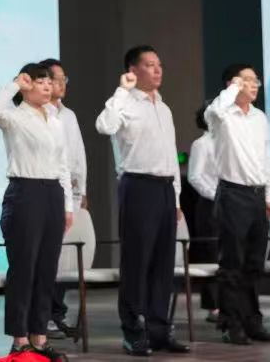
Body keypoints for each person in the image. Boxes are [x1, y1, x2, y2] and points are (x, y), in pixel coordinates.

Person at [95, 45, 188, 356]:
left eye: (159, 64)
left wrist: (176, 198)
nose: (157, 69)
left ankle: (159, 330)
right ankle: (133, 331)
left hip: (165, 188)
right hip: (138, 186)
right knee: (137, 262)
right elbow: (104, 126)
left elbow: (171, 156)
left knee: (163, 264)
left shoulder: (164, 108)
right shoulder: (124, 103)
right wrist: (122, 91)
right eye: (149, 64)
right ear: (133, 70)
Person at [0, 64, 73, 361]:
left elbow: (63, 165)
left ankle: (39, 337)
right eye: (40, 81)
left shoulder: (55, 120)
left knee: (47, 269)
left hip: (52, 193)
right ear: (26, 86)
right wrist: (16, 84)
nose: (47, 86)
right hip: (25, 192)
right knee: (23, 268)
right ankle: (20, 339)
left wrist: (67, 206)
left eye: (49, 82)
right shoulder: (14, 117)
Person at [205, 64, 270, 344]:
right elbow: (214, 110)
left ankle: (252, 321)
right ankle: (231, 323)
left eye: (255, 80)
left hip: (257, 195)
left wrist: (269, 195)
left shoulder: (260, 117)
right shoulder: (221, 114)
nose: (255, 84)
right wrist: (233, 89)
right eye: (248, 80)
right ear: (232, 83)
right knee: (232, 263)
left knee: (254, 263)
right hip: (233, 194)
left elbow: (266, 158)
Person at [39, 58, 86, 340]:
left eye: (63, 79)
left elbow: (78, 156)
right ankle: (42, 317)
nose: (61, 84)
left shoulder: (69, 115)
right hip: (47, 189)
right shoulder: (40, 113)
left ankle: (57, 312)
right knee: (47, 258)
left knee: (63, 256)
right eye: (57, 79)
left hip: (71, 192)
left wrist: (83, 191)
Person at [186, 103, 220, 323]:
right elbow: (195, 177)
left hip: (229, 203)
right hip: (209, 204)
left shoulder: (227, 141)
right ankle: (213, 306)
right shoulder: (201, 144)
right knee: (212, 254)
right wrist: (216, 195)